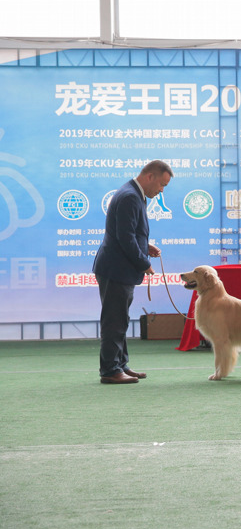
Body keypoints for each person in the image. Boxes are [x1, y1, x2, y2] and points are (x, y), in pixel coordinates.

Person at [93, 160, 173, 384]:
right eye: (162, 184)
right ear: (150, 177)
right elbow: (125, 237)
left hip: (118, 268)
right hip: (116, 269)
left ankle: (120, 364)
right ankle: (110, 370)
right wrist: (143, 262)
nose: (162, 190)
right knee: (114, 320)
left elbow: (128, 232)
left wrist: (145, 246)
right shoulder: (130, 196)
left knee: (120, 318)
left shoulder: (133, 194)